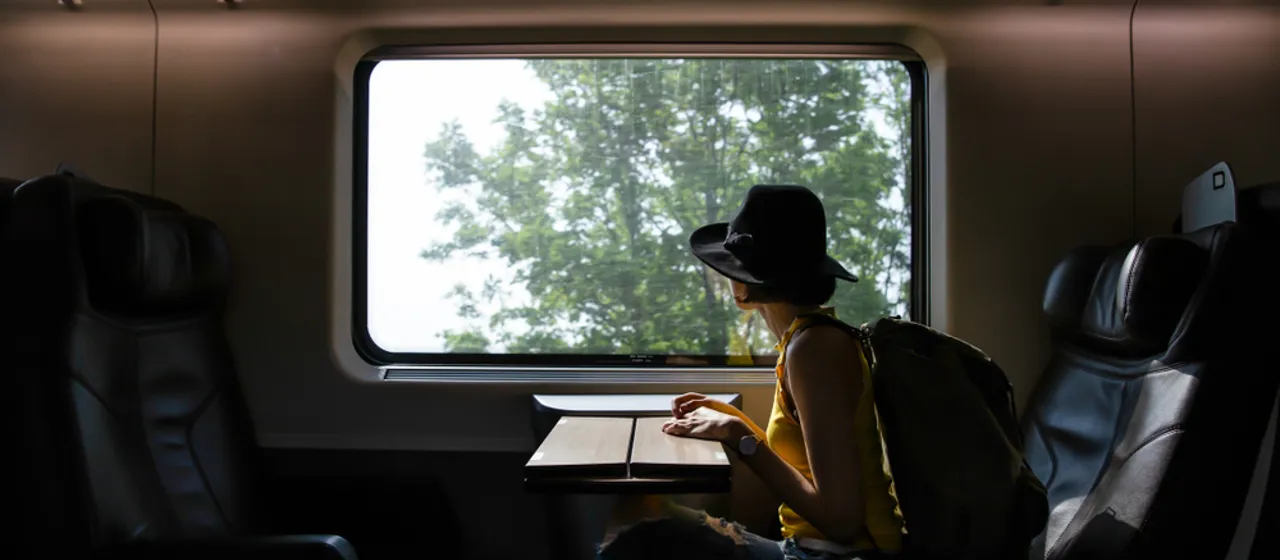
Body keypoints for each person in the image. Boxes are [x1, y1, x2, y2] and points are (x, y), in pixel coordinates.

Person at [596, 184, 905, 560]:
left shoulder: (815, 349)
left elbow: (842, 521)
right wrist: (733, 420)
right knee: (641, 512)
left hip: (841, 554)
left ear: (744, 285)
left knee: (638, 532)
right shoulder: (805, 341)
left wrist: (738, 434)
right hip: (815, 549)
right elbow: (808, 465)